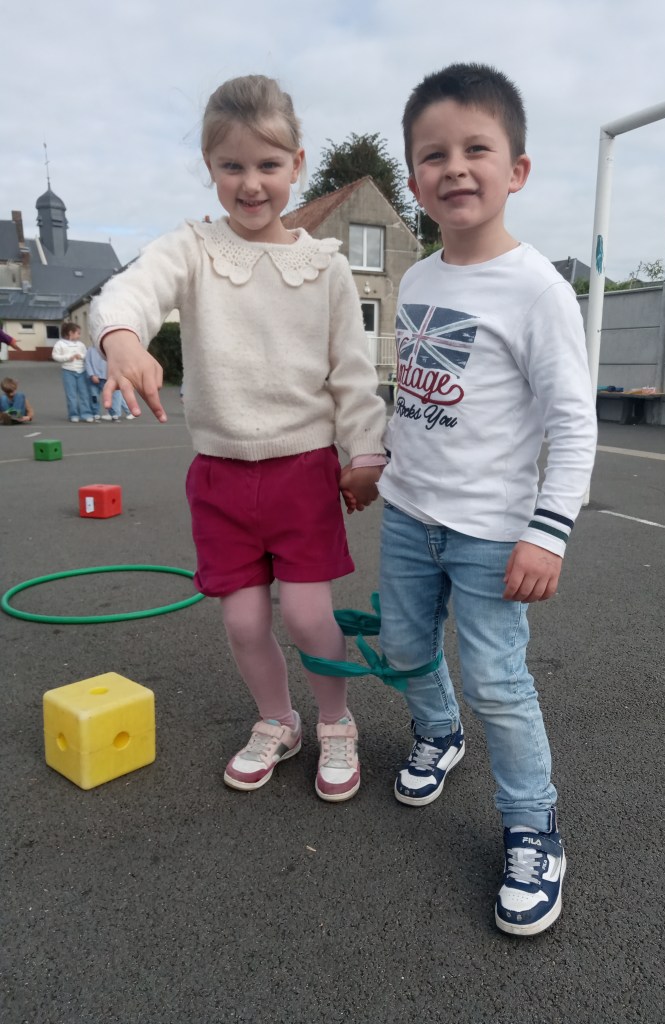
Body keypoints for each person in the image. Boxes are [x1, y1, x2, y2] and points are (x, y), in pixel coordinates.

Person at [90, 74, 386, 803]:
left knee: (309, 614)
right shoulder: (193, 248)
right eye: (232, 166)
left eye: (268, 165)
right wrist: (123, 338)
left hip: (302, 471)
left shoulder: (325, 266)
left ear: (297, 164)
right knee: (245, 620)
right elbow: (129, 290)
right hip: (222, 476)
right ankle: (277, 719)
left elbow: (352, 372)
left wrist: (365, 453)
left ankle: (336, 720)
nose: (251, 183)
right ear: (210, 166)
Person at [362, 63, 598, 936]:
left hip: (495, 534)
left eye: (476, 149)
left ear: (517, 170)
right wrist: (378, 459)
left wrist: (549, 532)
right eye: (433, 155)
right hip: (408, 514)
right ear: (414, 177)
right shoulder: (418, 281)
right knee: (404, 647)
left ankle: (533, 826)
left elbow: (573, 424)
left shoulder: (537, 290)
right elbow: (418, 396)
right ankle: (438, 731)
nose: (454, 167)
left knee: (497, 681)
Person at [52, 322, 93, 422]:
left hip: (81, 372)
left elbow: (86, 355)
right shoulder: (60, 344)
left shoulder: (81, 344)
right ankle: (73, 414)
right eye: (78, 333)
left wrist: (81, 356)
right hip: (68, 372)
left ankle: (86, 414)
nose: (79, 335)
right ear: (71, 333)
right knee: (71, 394)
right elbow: (55, 356)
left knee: (84, 394)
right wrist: (67, 358)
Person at [84, 344, 133, 421]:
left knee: (114, 396)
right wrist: (92, 374)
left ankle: (116, 413)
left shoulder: (110, 348)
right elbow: (87, 362)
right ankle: (98, 413)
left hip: (109, 377)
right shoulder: (91, 349)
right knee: (96, 396)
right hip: (96, 377)